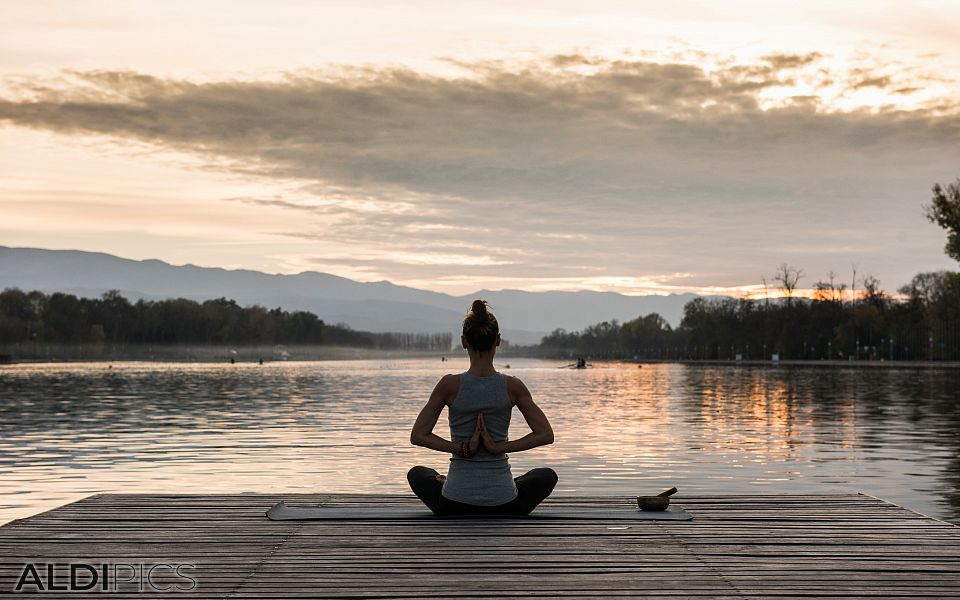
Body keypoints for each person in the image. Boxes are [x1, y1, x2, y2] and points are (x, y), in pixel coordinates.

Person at [408, 299, 557, 516]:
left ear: (463, 342)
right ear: (498, 341)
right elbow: (545, 434)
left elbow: (418, 435)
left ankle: (449, 482)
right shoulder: (513, 386)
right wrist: (499, 448)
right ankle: (502, 485)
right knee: (546, 475)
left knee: (418, 473)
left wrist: (460, 449)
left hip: (453, 503)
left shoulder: (449, 385)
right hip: (506, 503)